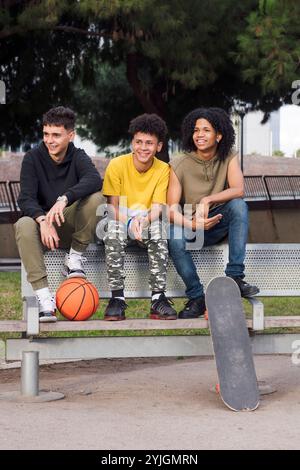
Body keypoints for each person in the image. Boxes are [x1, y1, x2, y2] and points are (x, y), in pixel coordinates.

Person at [167, 107, 259, 319]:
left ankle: (235, 277)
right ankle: (197, 297)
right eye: (196, 130)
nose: (199, 134)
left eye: (206, 130)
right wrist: (192, 224)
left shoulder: (228, 157)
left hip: (217, 221)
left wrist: (208, 199)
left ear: (218, 135)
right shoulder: (179, 164)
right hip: (190, 226)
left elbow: (239, 189)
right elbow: (171, 209)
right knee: (174, 236)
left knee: (238, 205)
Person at [15, 106, 104, 322]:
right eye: (46, 134)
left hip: (70, 227)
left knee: (97, 198)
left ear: (70, 135)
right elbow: (25, 198)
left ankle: (74, 258)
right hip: (44, 231)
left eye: (56, 135)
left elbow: (94, 180)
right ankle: (45, 299)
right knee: (23, 224)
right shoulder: (32, 158)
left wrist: (64, 199)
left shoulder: (78, 156)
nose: (50, 140)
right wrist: (43, 219)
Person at [102, 113, 177, 321]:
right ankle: (117, 298)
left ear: (159, 146)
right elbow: (112, 208)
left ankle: (158, 299)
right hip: (120, 219)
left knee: (158, 230)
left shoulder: (163, 169)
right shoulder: (117, 165)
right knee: (114, 230)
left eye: (150, 143)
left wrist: (142, 221)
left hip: (146, 222)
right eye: (139, 142)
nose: (144, 148)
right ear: (132, 143)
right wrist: (128, 222)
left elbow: (157, 207)